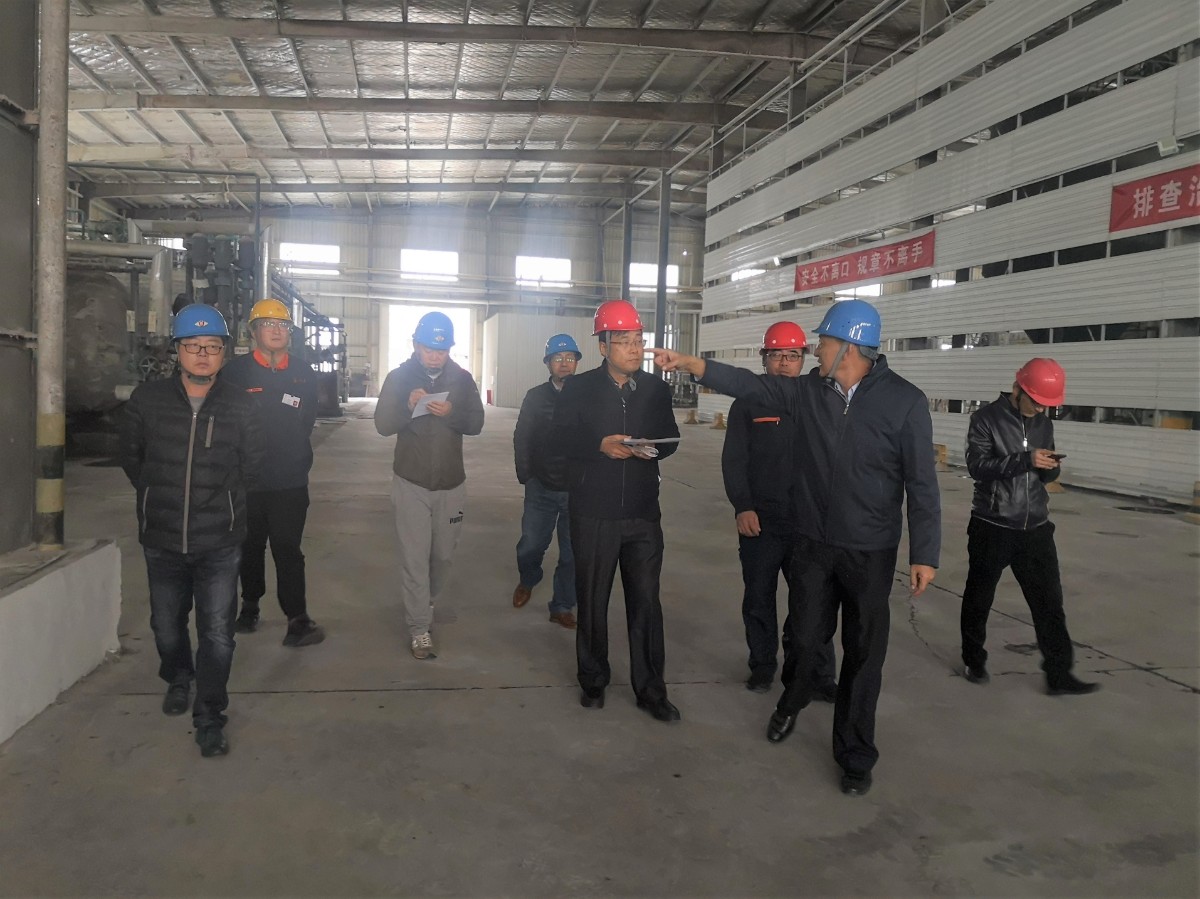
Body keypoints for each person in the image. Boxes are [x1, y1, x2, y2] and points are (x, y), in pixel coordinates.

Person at [652, 299, 941, 795]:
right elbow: (752, 386)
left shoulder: (905, 402)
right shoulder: (809, 393)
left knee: (863, 656)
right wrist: (693, 364)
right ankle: (791, 701)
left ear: (848, 347)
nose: (816, 351)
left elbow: (921, 482)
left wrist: (925, 552)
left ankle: (855, 755)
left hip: (869, 551)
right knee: (806, 640)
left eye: (822, 342)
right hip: (813, 544)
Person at [119, 304, 263, 758]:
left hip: (219, 540)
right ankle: (179, 676)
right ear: (177, 350)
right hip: (162, 537)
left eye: (212, 347)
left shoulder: (242, 405)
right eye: (193, 346)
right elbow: (131, 457)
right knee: (166, 625)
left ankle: (210, 716)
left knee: (218, 633)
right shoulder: (147, 400)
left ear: (224, 353)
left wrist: (221, 504)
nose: (203, 354)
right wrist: (157, 496)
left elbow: (252, 466)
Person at [553, 300, 682, 723]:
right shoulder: (578, 388)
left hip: (643, 514)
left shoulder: (655, 389)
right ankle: (593, 681)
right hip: (594, 512)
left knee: (646, 603)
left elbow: (671, 438)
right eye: (623, 341)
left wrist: (652, 448)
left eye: (638, 340)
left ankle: (651, 690)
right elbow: (557, 440)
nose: (634, 348)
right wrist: (599, 446)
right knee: (593, 600)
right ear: (603, 346)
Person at [960, 358, 1100, 696]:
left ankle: (1059, 674)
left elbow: (1045, 474)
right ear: (1018, 389)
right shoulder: (985, 419)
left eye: (1046, 405)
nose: (1040, 409)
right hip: (993, 524)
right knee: (979, 598)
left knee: (1050, 603)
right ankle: (974, 660)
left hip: (1035, 526)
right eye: (1036, 401)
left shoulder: (1043, 424)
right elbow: (978, 466)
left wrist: (1050, 468)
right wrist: (1025, 460)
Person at [722, 321, 836, 698]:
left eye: (792, 355)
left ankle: (818, 674)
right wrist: (743, 506)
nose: (785, 363)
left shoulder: (819, 401)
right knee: (759, 596)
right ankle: (762, 666)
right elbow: (734, 460)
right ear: (764, 358)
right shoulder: (747, 403)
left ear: (804, 358)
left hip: (809, 523)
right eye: (777, 355)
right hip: (762, 522)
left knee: (814, 601)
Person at [374, 311, 484, 660]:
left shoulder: (462, 380)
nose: (435, 356)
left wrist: (452, 412)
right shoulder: (398, 378)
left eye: (442, 350)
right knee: (414, 558)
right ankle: (419, 627)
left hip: (451, 484)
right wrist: (408, 407)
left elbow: (476, 423)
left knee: (443, 556)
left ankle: (427, 600)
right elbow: (382, 425)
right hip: (411, 482)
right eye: (429, 349)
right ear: (416, 345)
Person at [222, 298, 324, 648]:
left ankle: (297, 618)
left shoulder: (303, 373)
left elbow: (307, 418)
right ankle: (250, 604)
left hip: (289, 479)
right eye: (268, 324)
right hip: (246, 480)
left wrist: (292, 453)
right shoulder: (235, 374)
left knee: (287, 547)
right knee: (249, 546)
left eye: (282, 325)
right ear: (253, 332)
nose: (277, 331)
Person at [512, 334, 582, 629]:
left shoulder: (588, 396)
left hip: (577, 489)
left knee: (573, 553)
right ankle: (528, 578)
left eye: (570, 358)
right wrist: (527, 475)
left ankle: (562, 605)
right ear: (548, 363)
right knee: (530, 544)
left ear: (576, 362)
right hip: (540, 485)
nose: (564, 363)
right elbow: (522, 436)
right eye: (558, 358)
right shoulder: (535, 396)